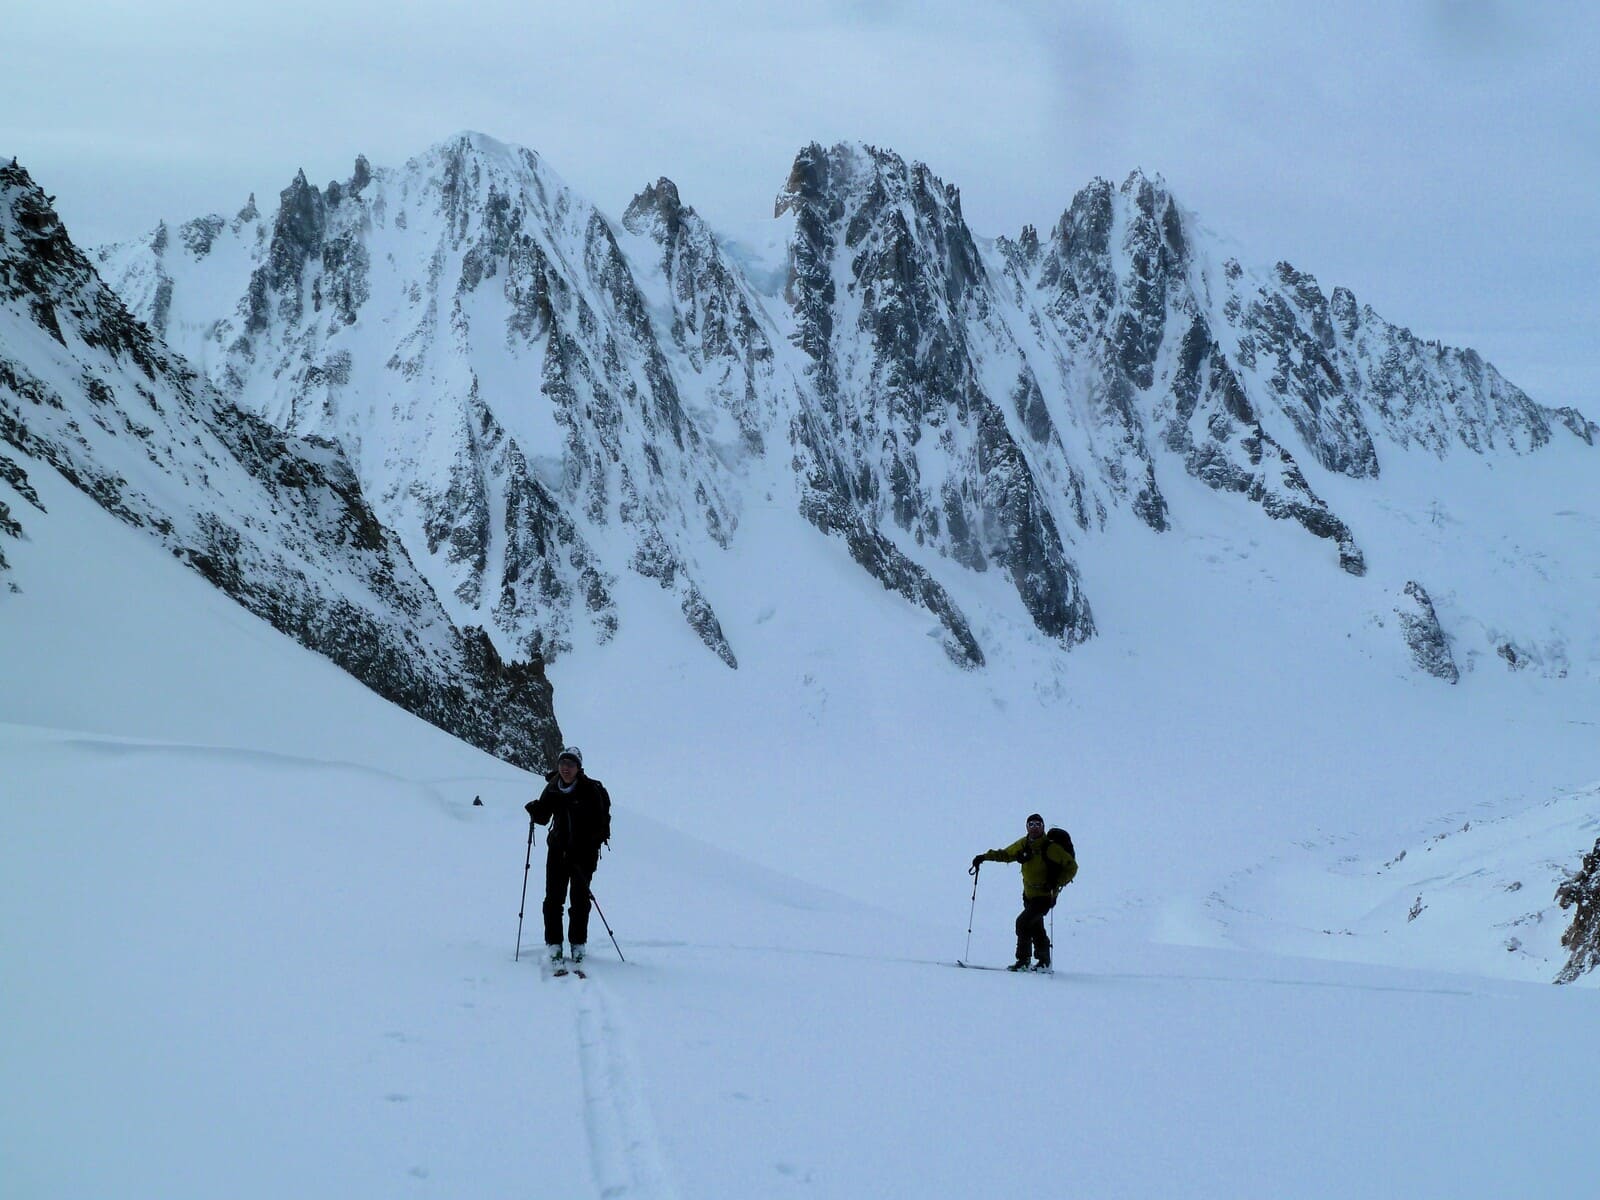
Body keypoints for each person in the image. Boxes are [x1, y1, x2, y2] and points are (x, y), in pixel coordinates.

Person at [525, 745, 611, 965]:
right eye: (563, 763)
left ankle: (577, 944)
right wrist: (535, 811)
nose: (565, 768)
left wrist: (583, 847)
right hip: (557, 851)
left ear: (578, 768)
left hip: (584, 855)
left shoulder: (591, 790)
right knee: (553, 899)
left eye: (570, 764)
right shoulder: (553, 787)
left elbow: (601, 825)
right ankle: (554, 944)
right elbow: (544, 816)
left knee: (580, 900)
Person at [972, 813, 1077, 971]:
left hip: (1045, 896)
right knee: (1035, 927)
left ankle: (1023, 961)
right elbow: (1006, 854)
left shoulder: (1051, 847)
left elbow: (1072, 867)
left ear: (1043, 827)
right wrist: (984, 857)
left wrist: (1057, 882)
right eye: (1031, 824)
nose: (1034, 827)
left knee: (1022, 923)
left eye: (1038, 824)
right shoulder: (1024, 844)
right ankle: (1044, 962)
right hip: (1028, 894)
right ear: (1027, 827)